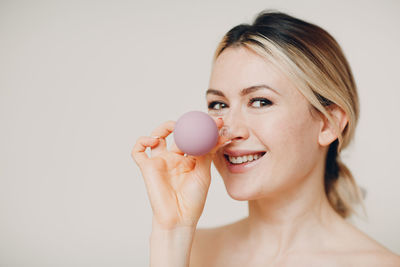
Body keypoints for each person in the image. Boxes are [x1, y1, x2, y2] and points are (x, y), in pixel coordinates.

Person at [132, 10, 400, 266]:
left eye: (260, 101)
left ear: (328, 124)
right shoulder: (189, 250)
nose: (229, 129)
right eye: (218, 104)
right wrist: (172, 230)